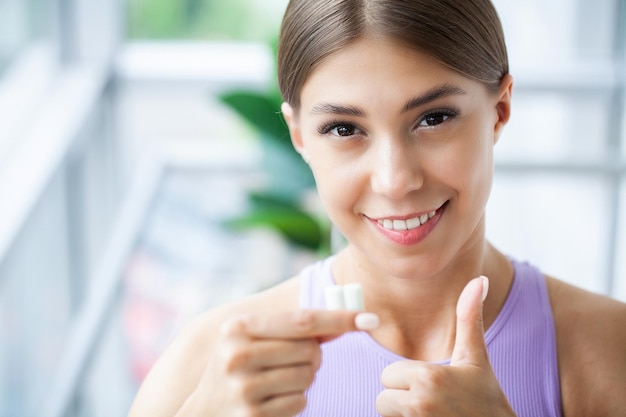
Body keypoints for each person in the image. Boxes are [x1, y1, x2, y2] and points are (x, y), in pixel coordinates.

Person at [127, 0, 626, 416]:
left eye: (433, 118)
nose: (395, 180)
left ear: (499, 111)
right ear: (299, 135)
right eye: (344, 129)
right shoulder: (207, 367)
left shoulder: (608, 350)